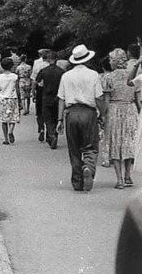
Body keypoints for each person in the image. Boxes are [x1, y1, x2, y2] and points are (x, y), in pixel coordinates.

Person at [56, 44, 107, 192]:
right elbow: (99, 97)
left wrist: (59, 120)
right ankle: (88, 168)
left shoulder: (66, 76)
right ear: (87, 59)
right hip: (88, 112)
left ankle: (77, 181)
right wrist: (102, 114)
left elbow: (61, 99)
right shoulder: (93, 75)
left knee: (74, 148)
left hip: (71, 113)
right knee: (90, 145)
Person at [103, 49, 138, 189]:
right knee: (128, 142)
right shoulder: (133, 76)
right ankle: (128, 175)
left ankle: (119, 180)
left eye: (111, 59)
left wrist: (103, 115)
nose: (110, 62)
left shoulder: (108, 77)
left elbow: (106, 100)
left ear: (116, 62)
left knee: (115, 142)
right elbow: (137, 96)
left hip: (114, 109)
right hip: (130, 108)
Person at [36, 50, 65, 149]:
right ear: (56, 59)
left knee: (47, 118)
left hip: (46, 96)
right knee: (56, 117)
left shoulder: (44, 71)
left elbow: (36, 82)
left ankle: (51, 135)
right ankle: (54, 136)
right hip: (58, 97)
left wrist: (33, 91)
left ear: (48, 60)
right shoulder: (61, 72)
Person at [0, 57, 21, 145]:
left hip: (2, 99)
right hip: (13, 98)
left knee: (3, 120)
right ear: (12, 66)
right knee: (12, 117)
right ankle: (11, 131)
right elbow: (17, 89)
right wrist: (20, 100)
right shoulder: (15, 77)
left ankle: (6, 138)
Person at [31, 49, 51, 141]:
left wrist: (33, 91)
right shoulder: (51, 64)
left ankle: (41, 128)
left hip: (39, 88)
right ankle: (49, 131)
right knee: (49, 111)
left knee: (39, 112)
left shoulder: (36, 63)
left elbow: (34, 78)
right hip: (50, 89)